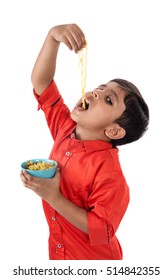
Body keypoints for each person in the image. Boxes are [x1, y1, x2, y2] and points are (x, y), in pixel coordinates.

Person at [20, 23, 149, 260]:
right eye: (99, 89)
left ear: (114, 131)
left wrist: (53, 196)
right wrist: (52, 37)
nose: (95, 93)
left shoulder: (109, 172)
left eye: (108, 100)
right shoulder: (66, 129)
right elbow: (41, 83)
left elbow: (103, 231)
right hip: (58, 257)